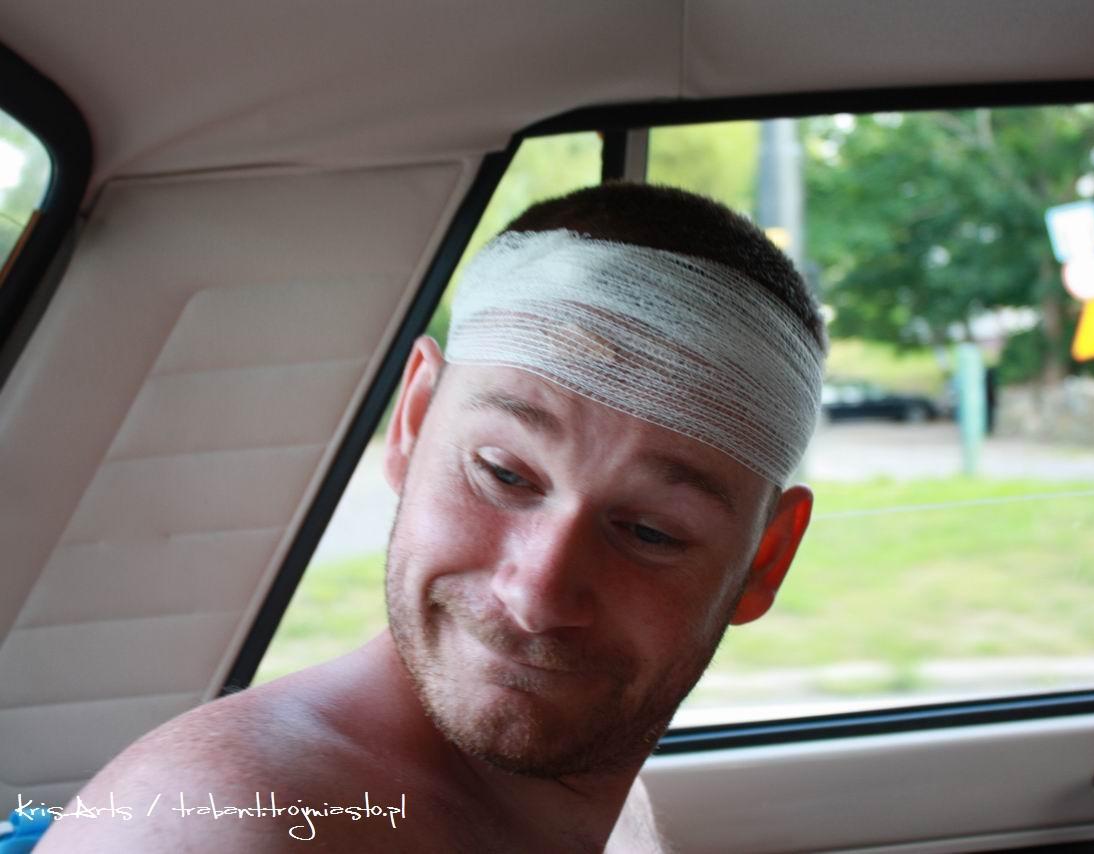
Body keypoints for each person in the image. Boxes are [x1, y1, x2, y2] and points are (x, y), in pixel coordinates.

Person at [36, 182, 828, 853]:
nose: (537, 596)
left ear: (766, 558)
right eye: (504, 474)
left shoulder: (605, 807)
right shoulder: (227, 828)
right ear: (413, 422)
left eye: (652, 532)